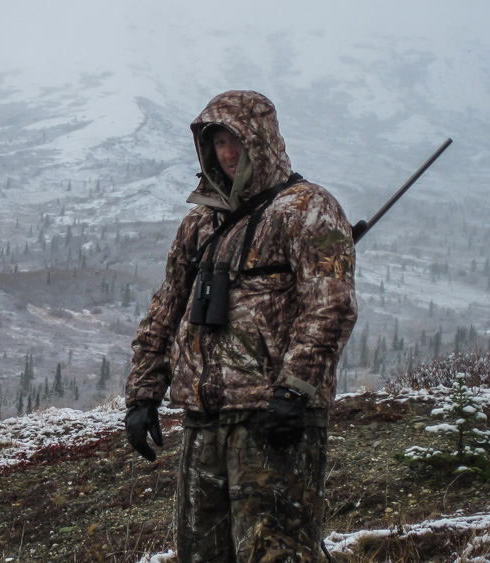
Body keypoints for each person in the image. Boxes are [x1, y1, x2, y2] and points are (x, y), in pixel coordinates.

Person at [124, 90, 358, 562]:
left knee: (277, 553)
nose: (228, 153)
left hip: (274, 421)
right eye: (218, 142)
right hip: (204, 420)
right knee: (202, 555)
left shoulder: (308, 209)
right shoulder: (200, 223)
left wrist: (295, 390)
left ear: (264, 141)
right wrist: (142, 392)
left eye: (238, 141)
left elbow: (329, 307)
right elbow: (167, 304)